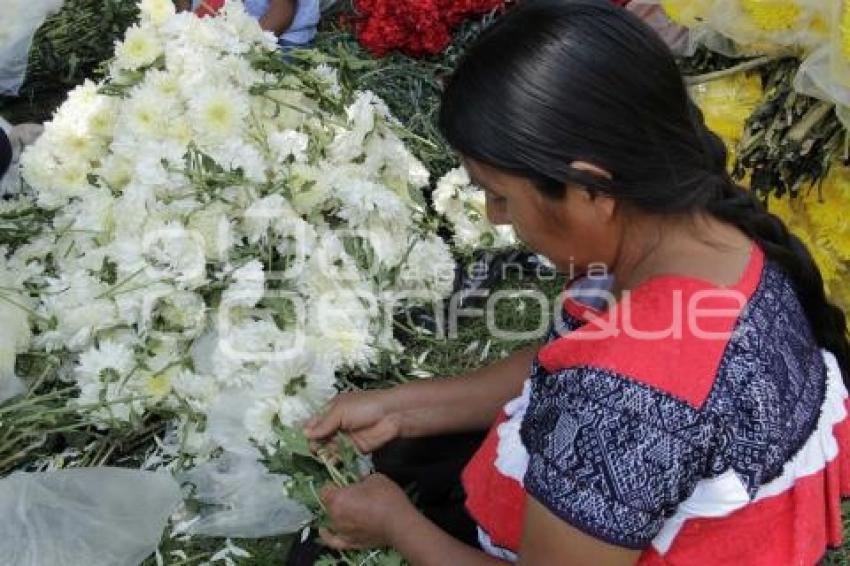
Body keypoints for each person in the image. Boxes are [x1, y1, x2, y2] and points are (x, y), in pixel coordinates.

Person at [302, 0, 850, 564]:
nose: (495, 216)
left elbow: (605, 387)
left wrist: (397, 526)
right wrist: (401, 409)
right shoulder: (705, 230)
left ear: (590, 189)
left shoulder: (625, 404)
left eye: (500, 194)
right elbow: (561, 359)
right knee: (419, 457)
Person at [176, 0, 320, 48]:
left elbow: (283, 9)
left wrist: (248, 49)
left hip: (277, 37)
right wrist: (184, 23)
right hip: (208, 24)